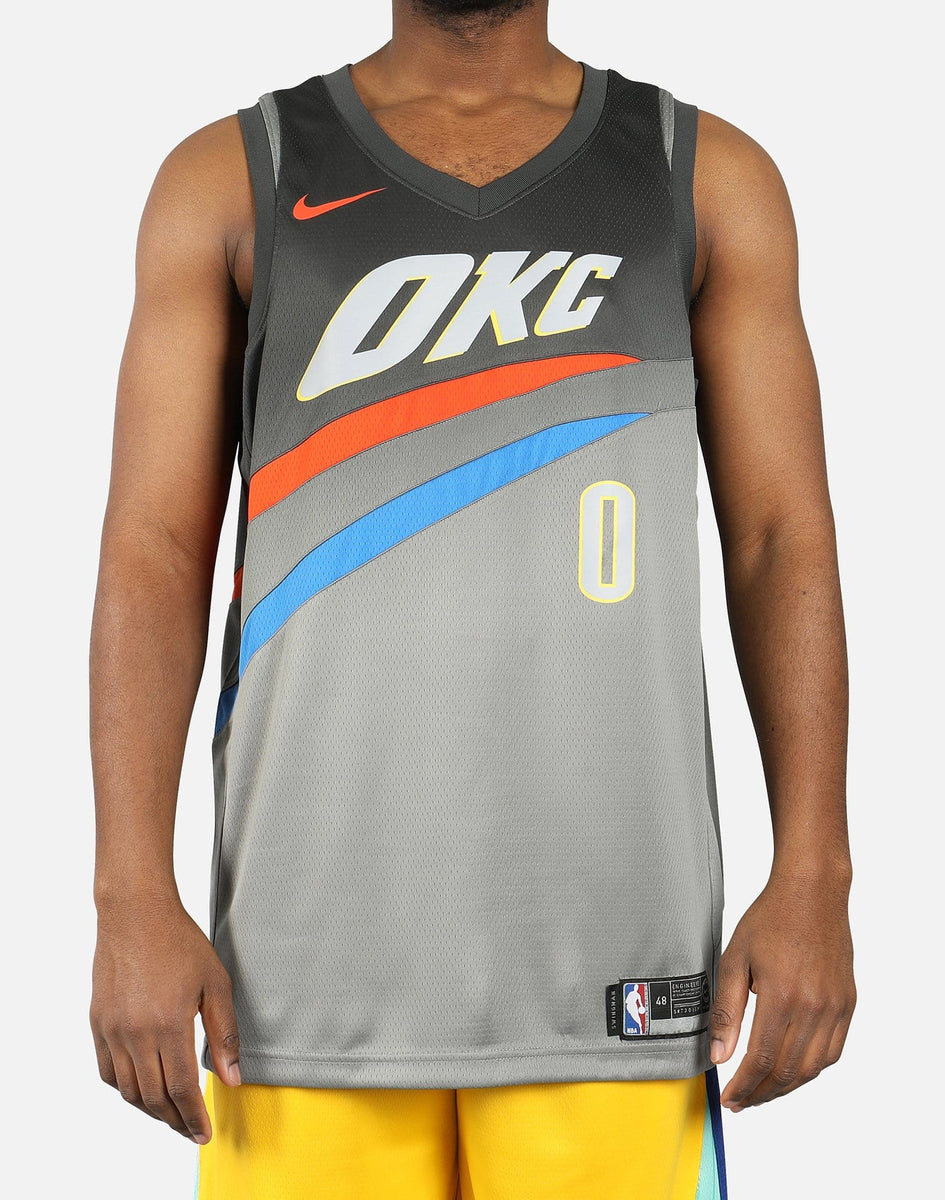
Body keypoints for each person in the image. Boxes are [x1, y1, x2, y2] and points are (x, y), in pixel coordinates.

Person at [88, 1, 856, 1195]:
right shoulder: (232, 178)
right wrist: (130, 893)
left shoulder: (701, 177)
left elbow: (778, 539)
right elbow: (154, 548)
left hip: (616, 977)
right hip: (295, 993)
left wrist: (815, 874)